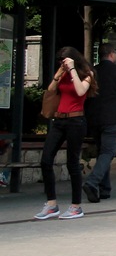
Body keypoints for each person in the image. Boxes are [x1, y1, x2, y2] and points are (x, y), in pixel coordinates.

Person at [34, 47, 96, 220]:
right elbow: (51, 90)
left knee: (72, 163)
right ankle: (51, 204)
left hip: (76, 121)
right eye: (60, 60)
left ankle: (76, 206)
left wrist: (73, 70)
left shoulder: (87, 74)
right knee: (46, 160)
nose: (63, 63)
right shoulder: (62, 73)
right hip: (59, 120)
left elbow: (80, 91)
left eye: (65, 60)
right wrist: (60, 72)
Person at [82, 43, 116, 203]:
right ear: (112, 54)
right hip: (113, 118)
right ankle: (92, 182)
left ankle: (105, 189)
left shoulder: (92, 72)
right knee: (108, 153)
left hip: (94, 119)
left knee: (101, 151)